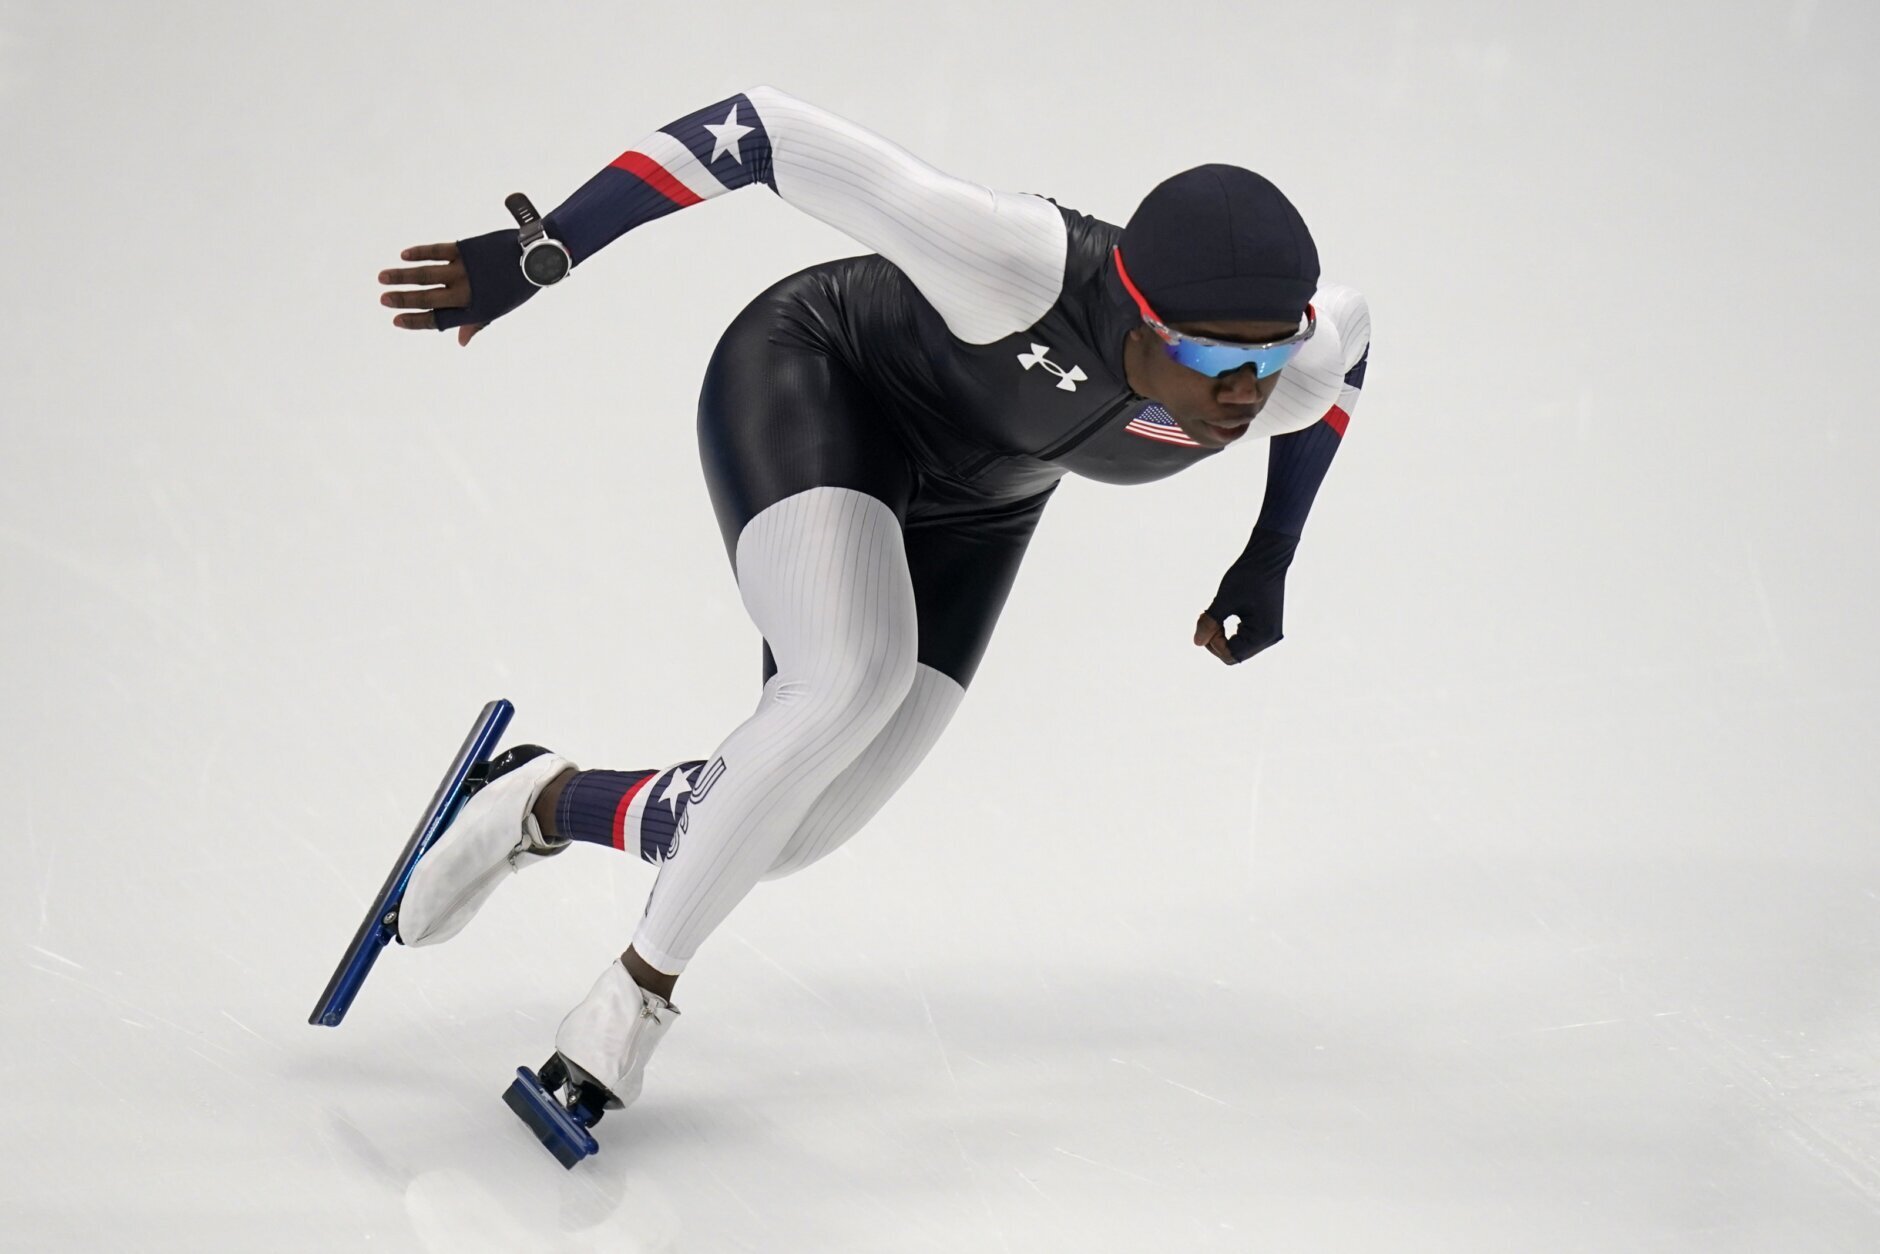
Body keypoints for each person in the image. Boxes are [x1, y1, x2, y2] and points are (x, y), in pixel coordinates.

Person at [377, 86, 1371, 1116]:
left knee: (790, 829)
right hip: (821, 383)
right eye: (1213, 355)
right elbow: (757, 129)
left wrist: (1270, 553)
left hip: (985, 504)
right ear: (1135, 310)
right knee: (850, 679)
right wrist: (546, 252)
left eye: (1266, 356)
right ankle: (630, 1000)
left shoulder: (1289, 369)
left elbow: (1349, 341)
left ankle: (538, 799)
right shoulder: (1012, 262)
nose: (1244, 393)